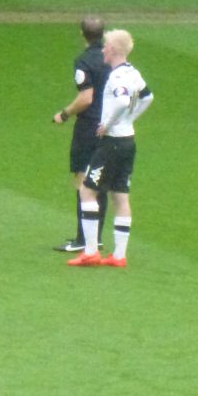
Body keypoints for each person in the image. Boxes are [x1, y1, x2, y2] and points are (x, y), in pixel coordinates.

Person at [68, 29, 154, 268]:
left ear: (114, 50)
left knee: (87, 190)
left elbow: (123, 101)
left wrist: (107, 124)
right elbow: (148, 97)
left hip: (112, 142)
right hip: (129, 141)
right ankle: (119, 255)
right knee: (120, 195)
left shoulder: (116, 78)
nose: (103, 49)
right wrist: (131, 119)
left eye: (106, 46)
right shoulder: (133, 72)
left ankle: (91, 251)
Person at [52, 17, 109, 253]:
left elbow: (86, 98)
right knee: (101, 180)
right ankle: (96, 237)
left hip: (89, 127)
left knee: (83, 180)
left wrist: (64, 114)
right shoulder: (112, 59)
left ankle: (83, 239)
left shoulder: (84, 61)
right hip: (110, 126)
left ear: (81, 33)